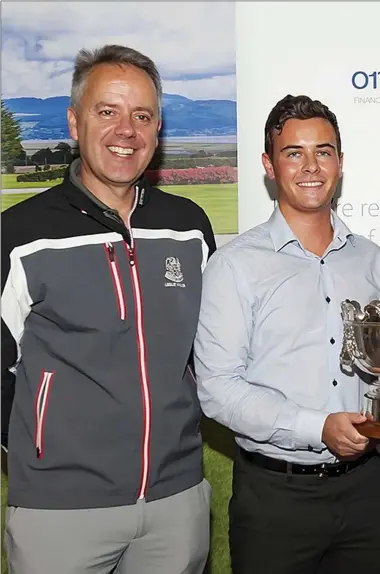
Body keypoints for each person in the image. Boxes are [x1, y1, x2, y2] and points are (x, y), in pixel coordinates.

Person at [2, 44, 216, 574]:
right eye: (107, 112)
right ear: (75, 122)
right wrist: (44, 457)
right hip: (59, 513)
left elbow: (210, 354)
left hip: (175, 502)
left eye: (142, 116)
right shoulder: (20, 234)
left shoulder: (189, 226)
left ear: (158, 130)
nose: (127, 130)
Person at [194, 94, 380, 574]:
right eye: (294, 153)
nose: (311, 166)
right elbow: (216, 390)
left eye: (324, 151)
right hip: (277, 500)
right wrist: (316, 426)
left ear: (340, 162)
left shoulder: (372, 260)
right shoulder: (235, 266)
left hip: (368, 491)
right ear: (269, 165)